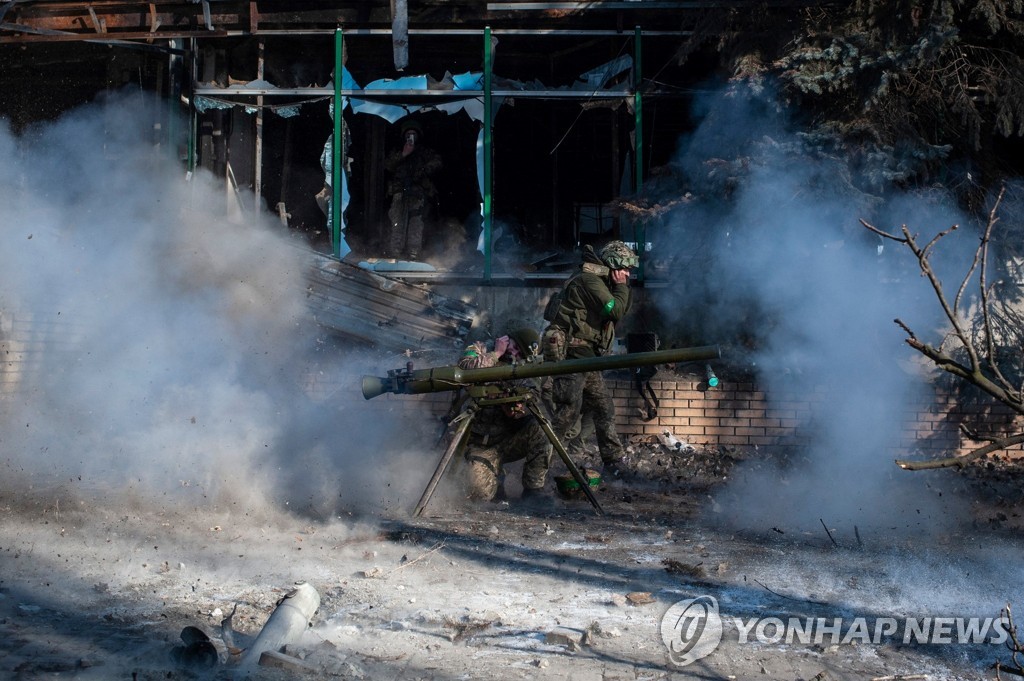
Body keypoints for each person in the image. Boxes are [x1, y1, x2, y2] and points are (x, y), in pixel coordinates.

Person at [541, 240, 639, 477]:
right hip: (573, 353)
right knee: (567, 413)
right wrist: (621, 287)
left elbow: (619, 310)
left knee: (603, 406)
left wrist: (621, 287)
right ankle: (539, 463)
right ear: (612, 265)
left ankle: (613, 461)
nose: (627, 274)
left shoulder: (601, 281)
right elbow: (615, 310)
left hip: (586, 355)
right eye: (624, 268)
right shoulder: (589, 280)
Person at [454, 327, 552, 502]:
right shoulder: (478, 348)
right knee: (481, 495)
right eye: (513, 346)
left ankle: (533, 490)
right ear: (506, 338)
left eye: (519, 352)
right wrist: (496, 354)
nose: (513, 352)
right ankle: (495, 477)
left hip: (504, 443)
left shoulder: (519, 366)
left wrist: (516, 406)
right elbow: (465, 369)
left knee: (542, 430)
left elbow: (532, 391)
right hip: (479, 445)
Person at [383, 117, 442, 260]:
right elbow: (387, 165)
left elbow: (438, 162)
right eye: (408, 134)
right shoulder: (398, 150)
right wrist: (404, 154)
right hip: (399, 192)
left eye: (413, 134)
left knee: (416, 224)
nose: (411, 137)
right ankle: (396, 252)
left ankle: (413, 254)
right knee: (397, 222)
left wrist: (422, 170)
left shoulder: (424, 152)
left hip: (417, 193)